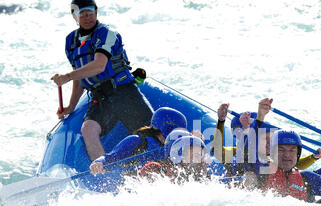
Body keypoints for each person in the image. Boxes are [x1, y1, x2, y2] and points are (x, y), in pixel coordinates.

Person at [51, 0, 153, 161]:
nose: (87, 16)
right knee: (88, 129)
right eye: (82, 13)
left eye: (90, 12)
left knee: (150, 133)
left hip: (123, 92)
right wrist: (70, 106)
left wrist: (67, 77)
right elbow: (80, 76)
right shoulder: (71, 41)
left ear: (96, 12)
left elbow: (99, 65)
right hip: (99, 97)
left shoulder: (106, 33)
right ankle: (103, 173)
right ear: (74, 16)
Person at [244, 129, 321, 204]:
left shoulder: (306, 180)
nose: (287, 155)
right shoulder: (262, 171)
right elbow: (247, 155)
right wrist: (260, 116)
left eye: (292, 150)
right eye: (281, 149)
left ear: (298, 153)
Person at [89, 107, 187, 175]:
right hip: (135, 186)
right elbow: (110, 158)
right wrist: (98, 162)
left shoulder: (175, 149)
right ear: (166, 130)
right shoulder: (136, 141)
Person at [139, 135, 210, 184]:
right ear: (179, 154)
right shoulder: (155, 168)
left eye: (200, 155)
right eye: (195, 155)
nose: (198, 159)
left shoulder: (195, 173)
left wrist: (205, 173)